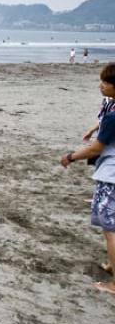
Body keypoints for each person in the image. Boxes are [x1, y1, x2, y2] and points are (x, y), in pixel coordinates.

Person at [61, 63, 115, 294]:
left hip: (111, 176)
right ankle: (112, 263)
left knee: (110, 228)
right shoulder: (110, 110)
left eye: (105, 82)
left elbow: (96, 149)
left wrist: (70, 157)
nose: (100, 85)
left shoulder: (113, 115)